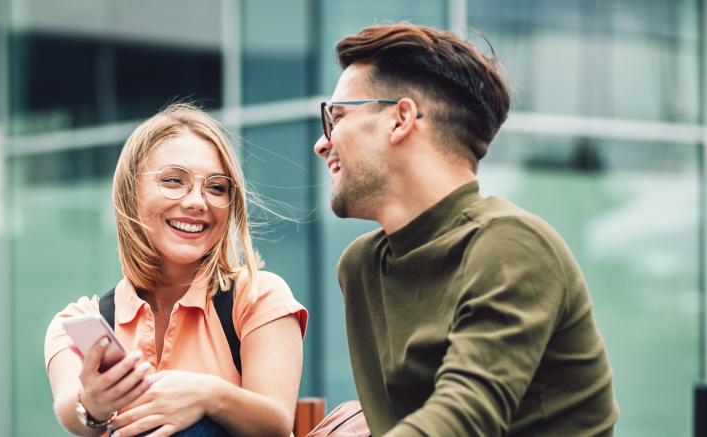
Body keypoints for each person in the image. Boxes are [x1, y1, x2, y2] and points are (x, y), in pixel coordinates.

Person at [312, 23, 619, 436]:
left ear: (400, 119)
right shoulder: (362, 266)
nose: (322, 142)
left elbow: (463, 419)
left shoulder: (512, 245)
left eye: (338, 116)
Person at [44, 103, 308, 437]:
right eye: (173, 180)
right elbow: (72, 411)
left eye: (216, 187)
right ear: (131, 192)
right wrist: (93, 405)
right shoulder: (78, 322)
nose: (198, 201)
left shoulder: (258, 296)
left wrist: (207, 396)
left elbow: (278, 423)